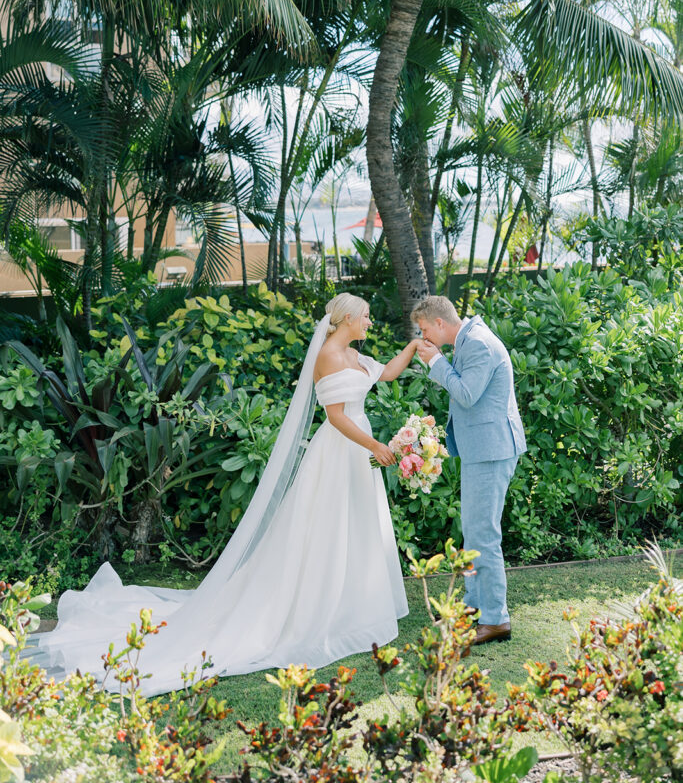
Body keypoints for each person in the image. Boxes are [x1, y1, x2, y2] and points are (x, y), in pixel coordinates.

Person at [33, 294, 417, 695]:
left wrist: (413, 346)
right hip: (342, 450)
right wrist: (373, 445)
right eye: (367, 318)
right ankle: (316, 605)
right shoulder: (328, 357)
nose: (370, 323)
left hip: (359, 451)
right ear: (349, 318)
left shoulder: (355, 356)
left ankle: (350, 602)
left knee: (356, 523)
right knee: (327, 526)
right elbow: (336, 417)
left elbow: (386, 373)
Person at [412, 295, 526, 645]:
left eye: (425, 328)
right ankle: (475, 607)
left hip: (491, 451)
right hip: (484, 449)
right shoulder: (469, 337)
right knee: (474, 531)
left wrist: (437, 362)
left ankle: (495, 619)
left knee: (483, 535)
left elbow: (466, 394)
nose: (423, 335)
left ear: (440, 324)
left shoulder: (477, 344)